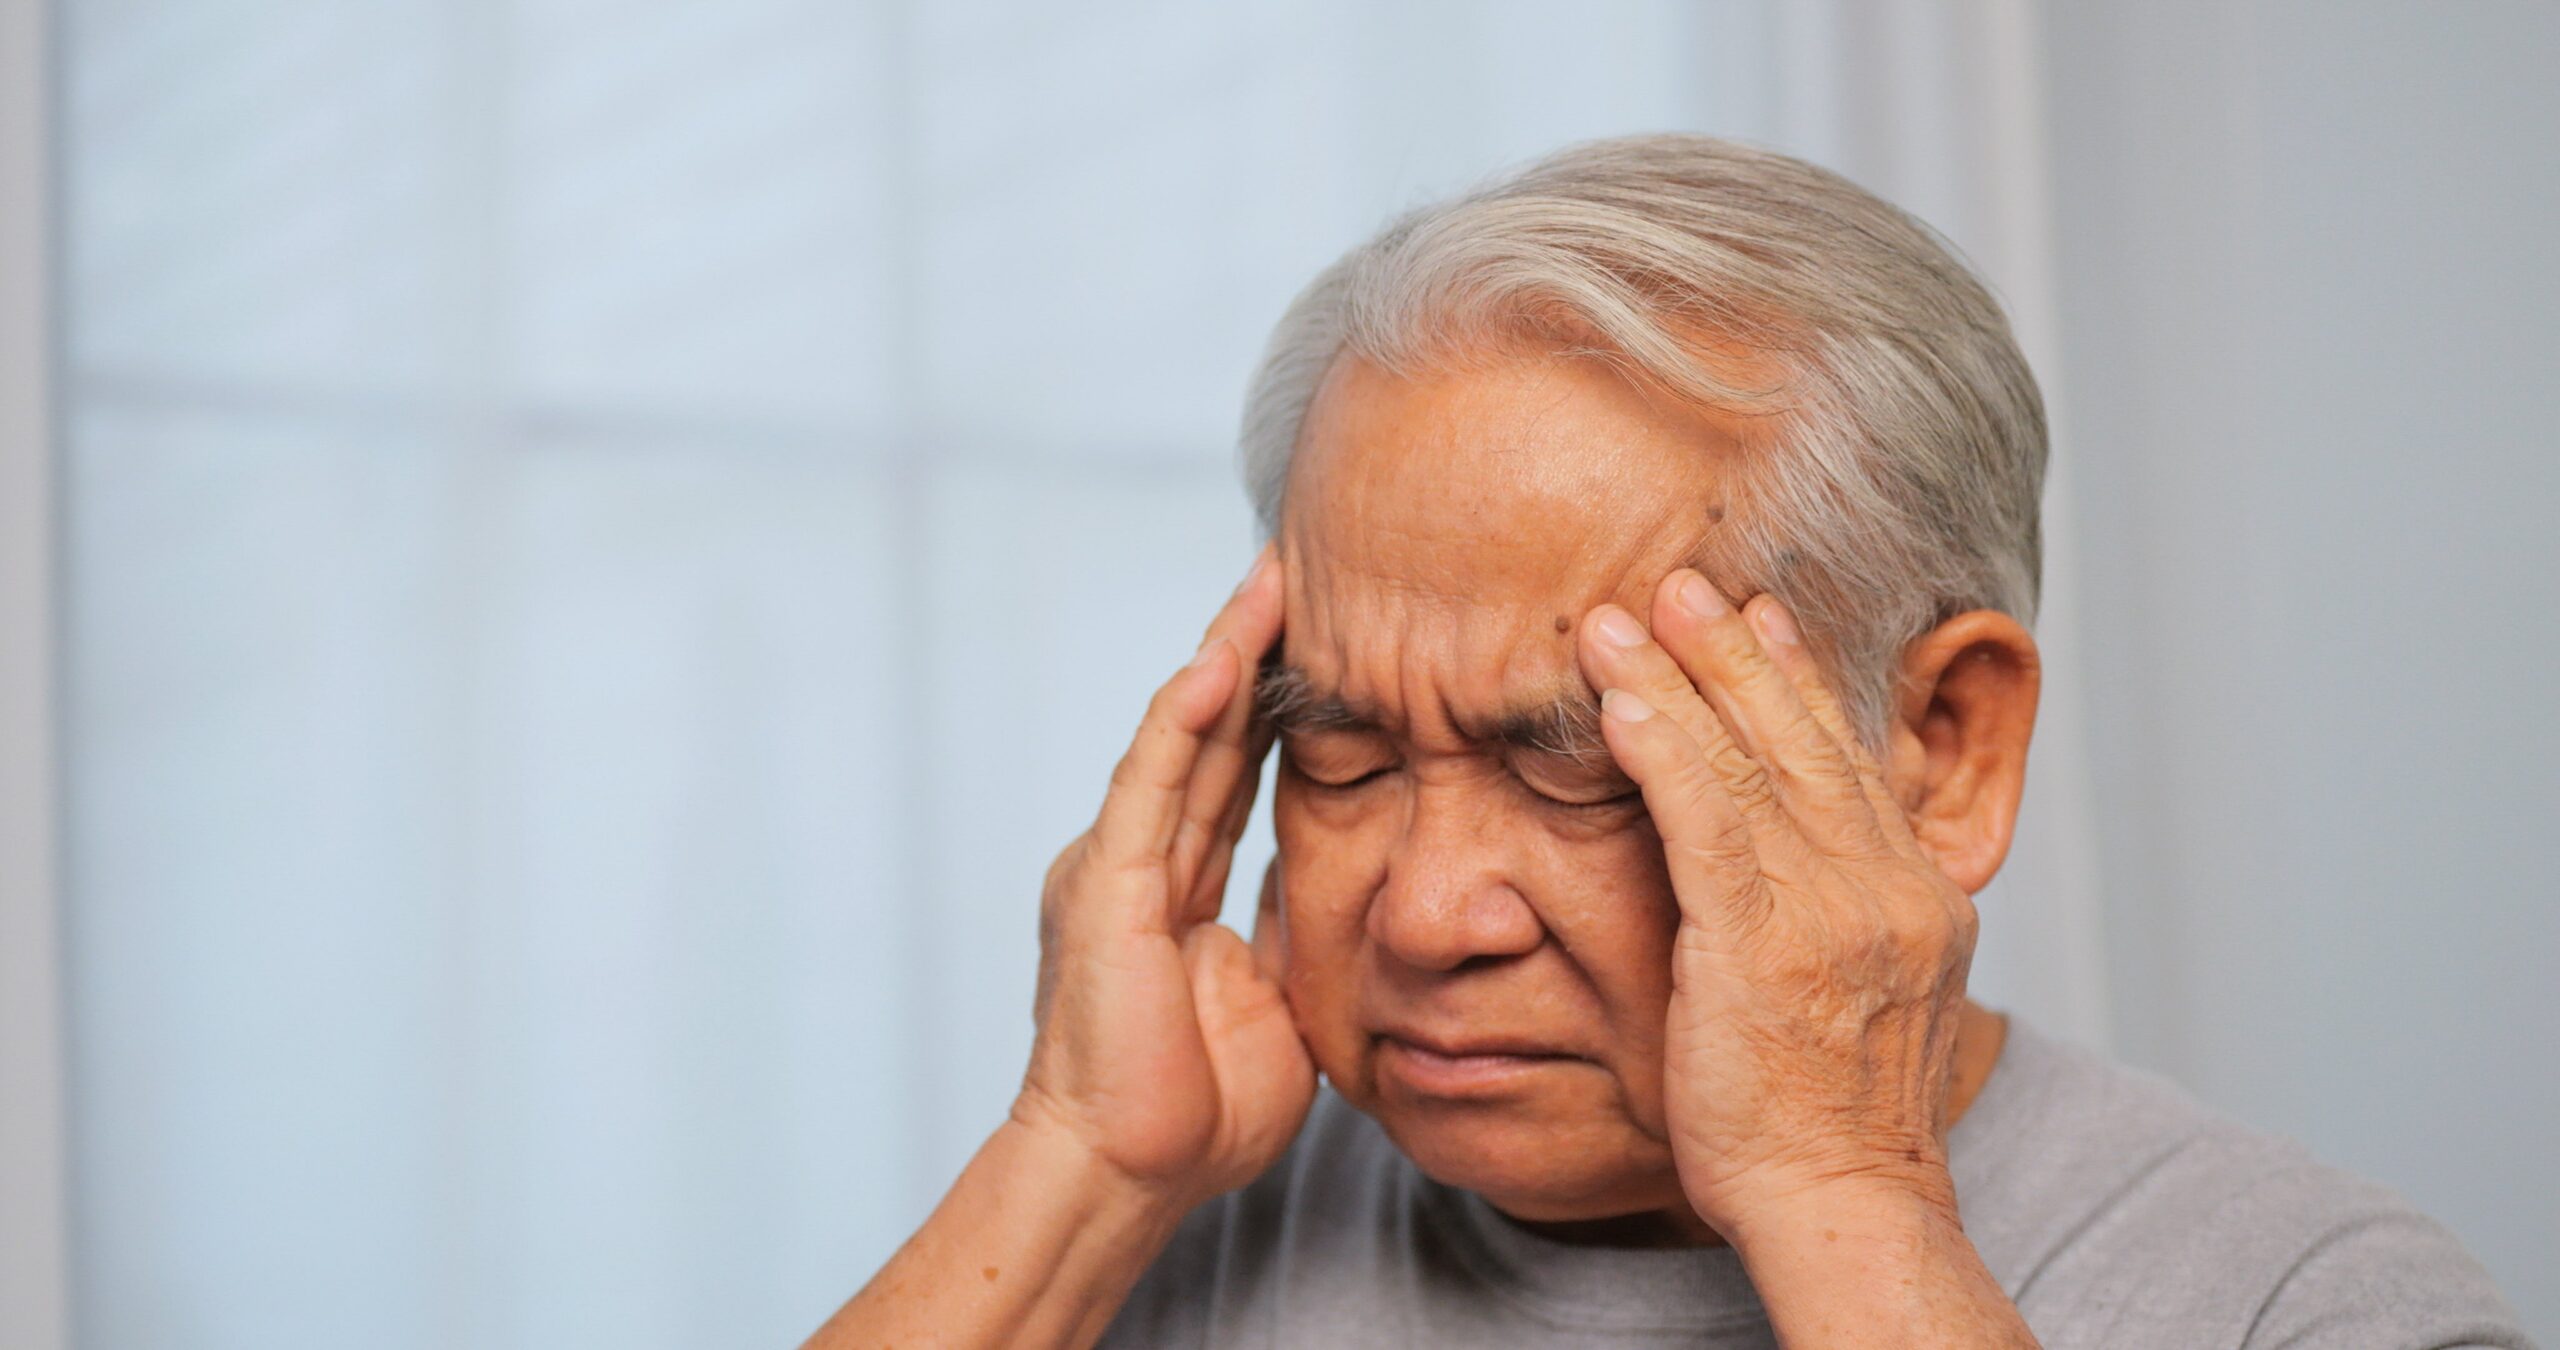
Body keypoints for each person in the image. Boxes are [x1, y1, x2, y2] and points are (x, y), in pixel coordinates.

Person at [807, 135, 2530, 1348]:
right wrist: (1077, 1166)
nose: (1426, 917)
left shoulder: (2309, 1300)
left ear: (1943, 746)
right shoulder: (1170, 1218)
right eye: (1342, 750)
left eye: (1580, 764)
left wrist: (1836, 1188)